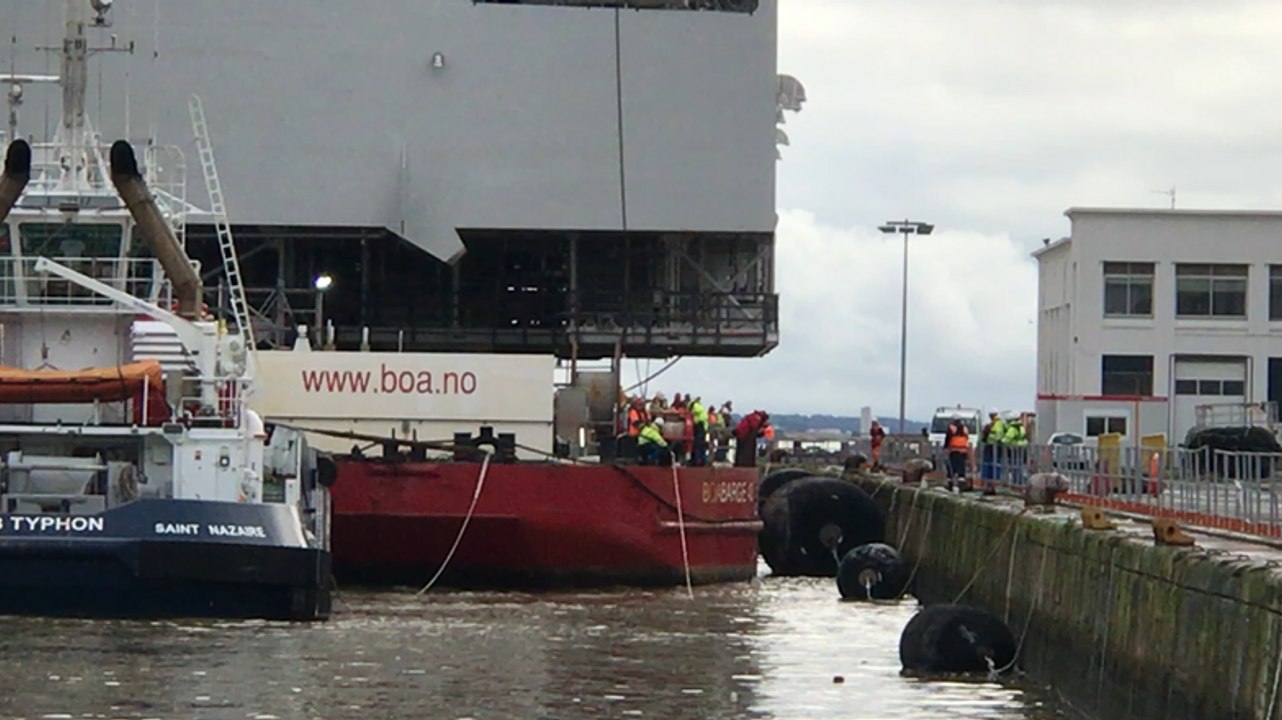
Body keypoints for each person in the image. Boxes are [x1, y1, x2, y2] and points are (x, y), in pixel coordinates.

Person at [980, 410, 1006, 488]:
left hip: (992, 446)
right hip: (995, 446)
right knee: (994, 463)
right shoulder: (1000, 424)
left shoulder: (995, 424)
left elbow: (995, 435)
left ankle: (989, 481)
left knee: (990, 463)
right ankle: (991, 481)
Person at [1002, 415, 1029, 486]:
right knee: (1020, 467)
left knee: (1014, 467)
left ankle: (1016, 483)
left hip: (1013, 450)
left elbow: (1006, 439)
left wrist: (1002, 441)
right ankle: (1021, 482)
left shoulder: (1012, 428)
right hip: (1021, 449)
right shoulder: (1021, 427)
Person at [944, 418, 970, 491]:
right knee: (961, 467)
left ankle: (950, 482)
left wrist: (945, 447)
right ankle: (961, 482)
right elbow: (967, 438)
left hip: (954, 450)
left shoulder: (951, 428)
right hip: (963, 450)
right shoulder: (965, 428)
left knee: (952, 467)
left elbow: (948, 438)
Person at [689, 396, 709, 466]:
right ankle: (701, 460)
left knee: (698, 444)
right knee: (700, 444)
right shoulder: (699, 406)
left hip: (700, 426)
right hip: (702, 426)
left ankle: (697, 460)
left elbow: (695, 412)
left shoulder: (696, 406)